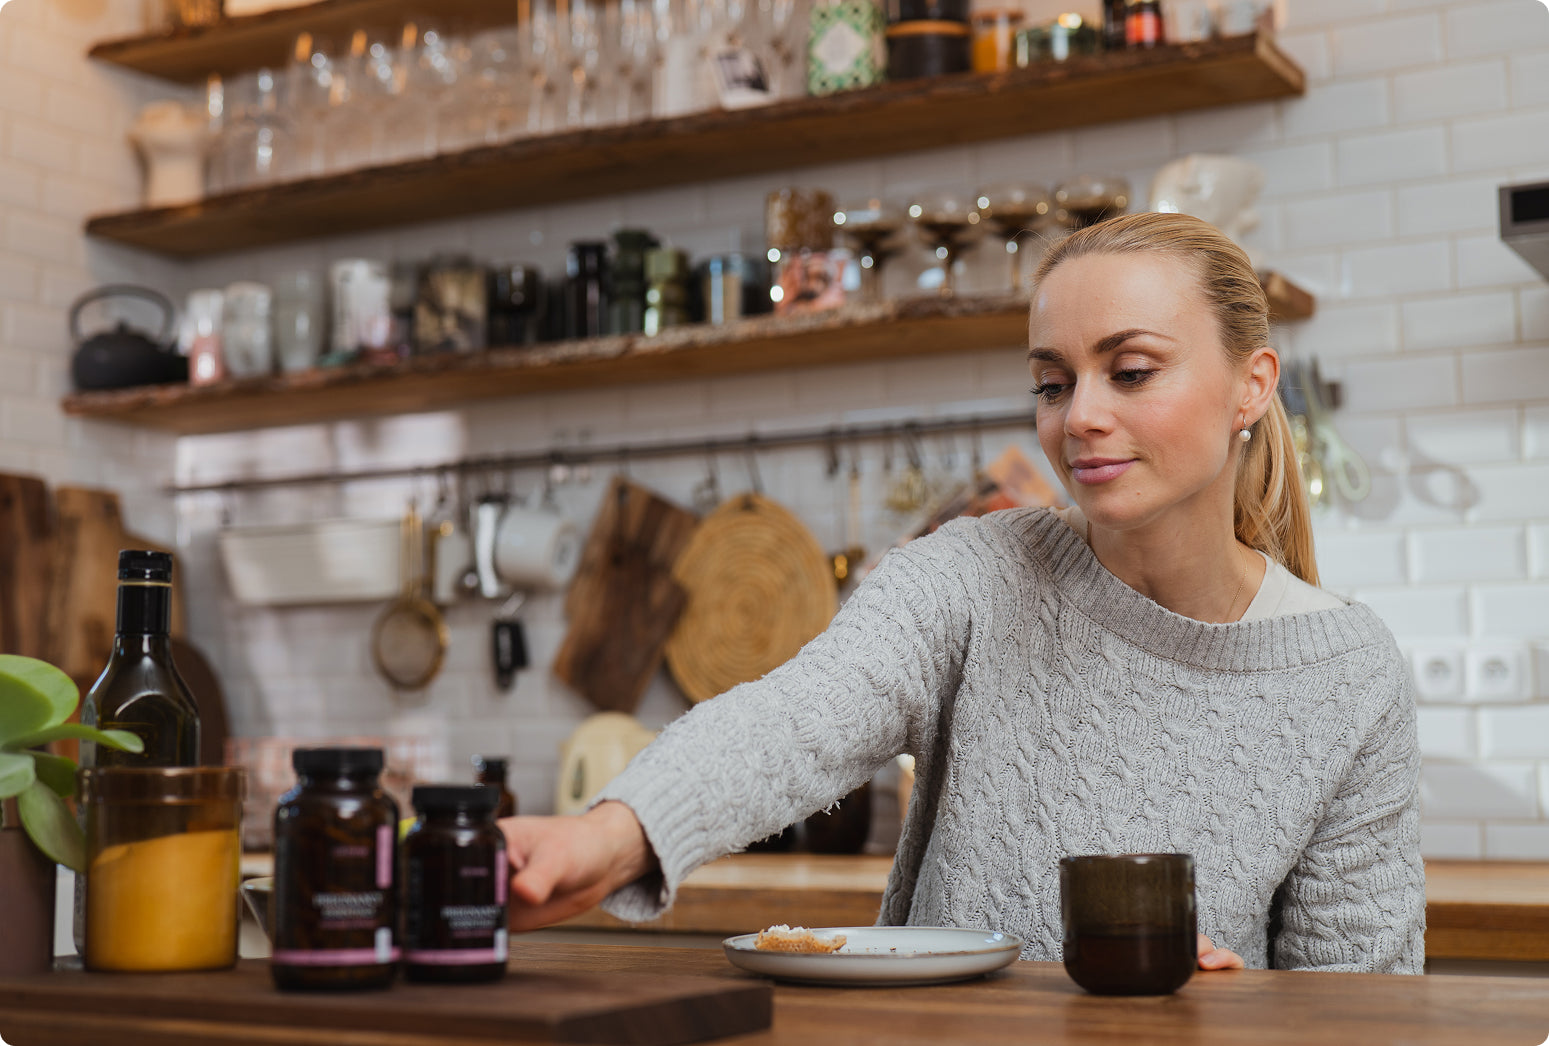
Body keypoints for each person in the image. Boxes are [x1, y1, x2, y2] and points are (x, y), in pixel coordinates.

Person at [499, 212, 1424, 973]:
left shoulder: (1348, 674)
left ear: (1251, 387)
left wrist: (1238, 1015)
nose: (1080, 417)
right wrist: (614, 834)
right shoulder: (970, 575)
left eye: (1131, 372)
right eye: (1052, 383)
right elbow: (796, 719)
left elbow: (1361, 1005)